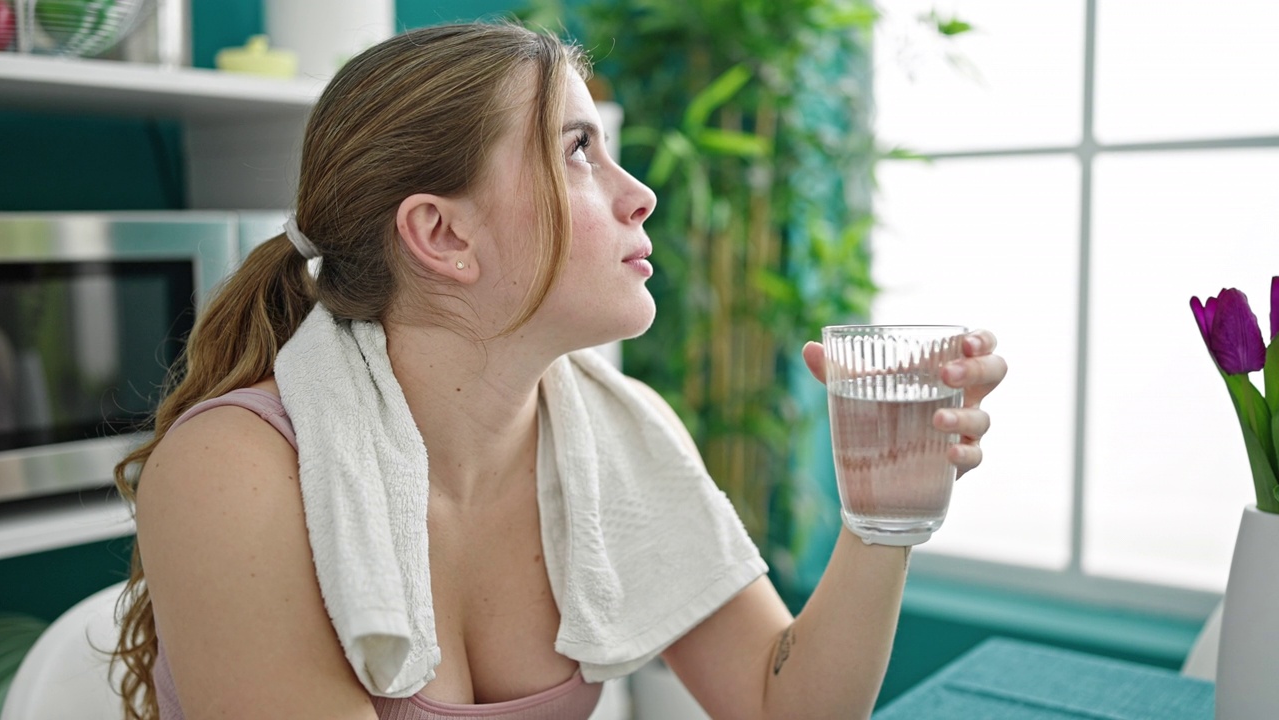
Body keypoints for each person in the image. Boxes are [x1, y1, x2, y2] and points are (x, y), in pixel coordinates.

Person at [111, 21, 1007, 720]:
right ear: (444, 236)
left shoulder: (618, 436)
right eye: (578, 150)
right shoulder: (232, 473)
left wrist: (884, 511)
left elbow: (788, 705)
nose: (640, 192)